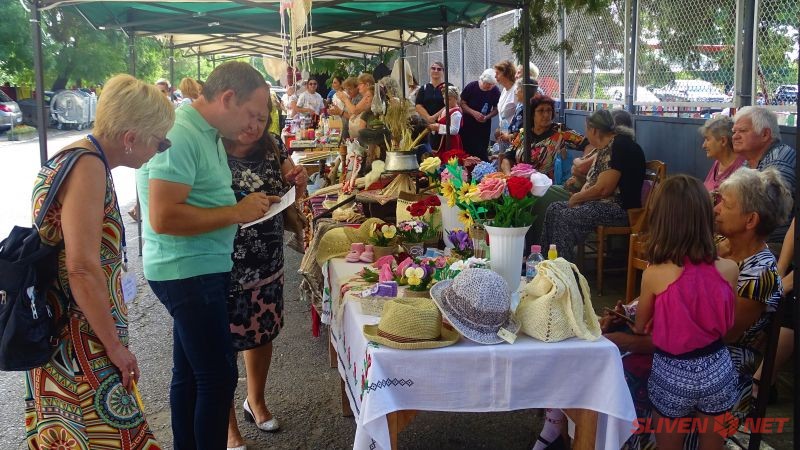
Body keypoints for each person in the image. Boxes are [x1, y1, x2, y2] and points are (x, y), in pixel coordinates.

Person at [24, 74, 175, 448]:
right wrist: (114, 347)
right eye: (160, 141)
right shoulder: (88, 166)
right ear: (131, 138)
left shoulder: (75, 157)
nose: (159, 150)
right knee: (111, 434)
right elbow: (81, 268)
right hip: (79, 339)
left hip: (70, 330)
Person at [136, 61, 276, 449]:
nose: (254, 125)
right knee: (216, 377)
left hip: (198, 268)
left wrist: (245, 203)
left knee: (191, 375)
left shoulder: (208, 132)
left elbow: (201, 196)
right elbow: (163, 216)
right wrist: (236, 212)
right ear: (227, 98)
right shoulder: (182, 133)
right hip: (187, 271)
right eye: (252, 114)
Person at [223, 106, 308, 450]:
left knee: (261, 333)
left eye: (262, 119)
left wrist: (298, 182)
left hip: (267, 261)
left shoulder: (273, 143)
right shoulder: (211, 147)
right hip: (225, 264)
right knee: (224, 345)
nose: (255, 126)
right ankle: (228, 426)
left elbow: (292, 190)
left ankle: (255, 401)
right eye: (250, 117)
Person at [634, 175, 739, 450]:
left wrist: (662, 318)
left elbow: (640, 326)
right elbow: (726, 322)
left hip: (672, 373)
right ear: (706, 217)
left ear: (662, 221)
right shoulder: (729, 269)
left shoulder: (654, 274)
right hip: (717, 368)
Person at [715, 167, 791, 421]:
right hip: (692, 349)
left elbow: (723, 334)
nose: (716, 209)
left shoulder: (761, 273)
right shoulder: (719, 245)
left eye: (725, 204)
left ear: (750, 220)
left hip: (723, 369)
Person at [540, 109, 645, 262]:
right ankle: (546, 263)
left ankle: (562, 270)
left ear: (594, 130)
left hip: (619, 210)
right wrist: (580, 197)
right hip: (600, 205)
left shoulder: (620, 145)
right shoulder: (606, 146)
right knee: (554, 209)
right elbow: (593, 182)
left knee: (564, 217)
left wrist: (578, 198)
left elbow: (603, 189)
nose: (586, 134)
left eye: (586, 129)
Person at [731, 106, 795, 241]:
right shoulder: (749, 161)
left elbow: (769, 218)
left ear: (765, 134)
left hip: (774, 245)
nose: (735, 136)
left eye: (742, 131)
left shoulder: (778, 161)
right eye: (734, 131)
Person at [752, 218, 795, 403]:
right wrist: (780, 271)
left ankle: (761, 383)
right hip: (779, 246)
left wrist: (788, 283)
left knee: (790, 300)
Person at [518, 94, 588, 180]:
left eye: (549, 110)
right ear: (532, 114)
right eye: (541, 111)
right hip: (521, 183)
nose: (546, 114)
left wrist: (583, 163)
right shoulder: (523, 133)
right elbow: (508, 156)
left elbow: (587, 143)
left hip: (550, 185)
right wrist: (508, 176)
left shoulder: (560, 131)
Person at [699, 115, 745, 201]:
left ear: (723, 141)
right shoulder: (718, 162)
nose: (703, 145)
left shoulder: (742, 169)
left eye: (707, 139)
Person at [459, 68, 500, 161]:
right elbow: (462, 103)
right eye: (488, 84)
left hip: (483, 125)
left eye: (492, 84)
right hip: (468, 123)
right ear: (482, 80)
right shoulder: (472, 86)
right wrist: (473, 113)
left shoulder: (495, 91)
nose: (490, 86)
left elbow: (496, 108)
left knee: (481, 150)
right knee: (467, 148)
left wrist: (487, 116)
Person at [415, 61, 448, 150]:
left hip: (443, 125)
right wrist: (428, 118)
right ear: (429, 70)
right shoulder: (424, 88)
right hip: (427, 125)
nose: (436, 71)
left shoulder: (447, 87)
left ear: (443, 72)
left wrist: (434, 117)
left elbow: (451, 105)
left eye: (439, 69)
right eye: (433, 68)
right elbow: (418, 105)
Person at [336, 73, 374, 138]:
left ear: (367, 85)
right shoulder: (365, 95)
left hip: (367, 132)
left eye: (360, 84)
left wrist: (345, 99)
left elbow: (354, 111)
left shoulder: (369, 94)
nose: (358, 87)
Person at [429, 85, 464, 153]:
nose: (446, 101)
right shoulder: (446, 109)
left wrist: (438, 127)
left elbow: (455, 130)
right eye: (445, 99)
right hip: (442, 139)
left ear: (456, 99)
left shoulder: (456, 113)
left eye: (449, 99)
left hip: (451, 141)